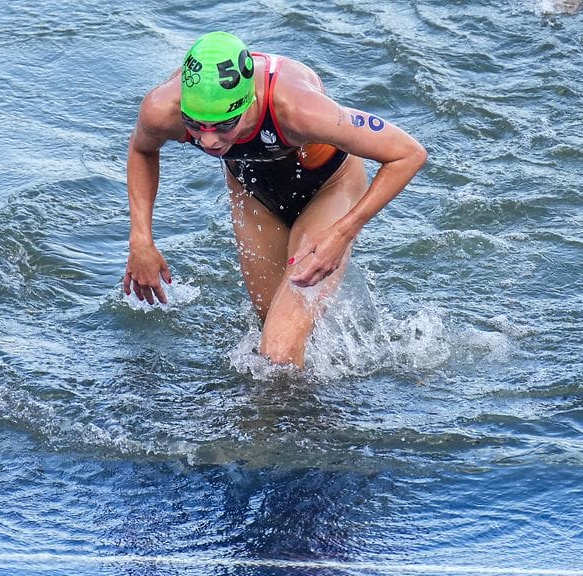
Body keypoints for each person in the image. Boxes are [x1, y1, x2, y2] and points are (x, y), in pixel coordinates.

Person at [123, 31, 427, 368]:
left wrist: (343, 232)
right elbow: (141, 150)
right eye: (196, 125)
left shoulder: (299, 110)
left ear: (249, 102)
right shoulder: (162, 108)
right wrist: (141, 240)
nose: (208, 141)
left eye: (224, 126)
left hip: (328, 187)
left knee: (278, 351)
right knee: (269, 327)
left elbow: (408, 154)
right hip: (253, 189)